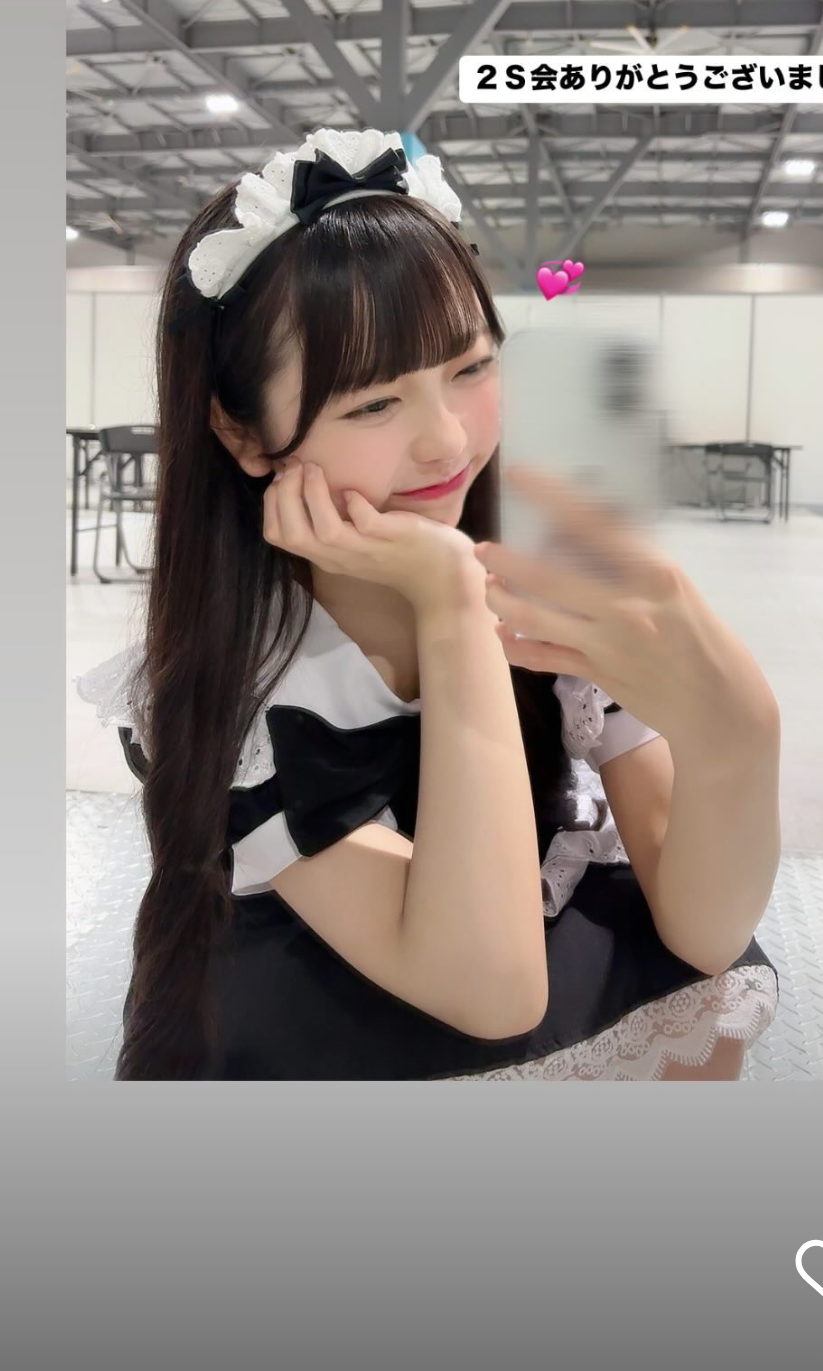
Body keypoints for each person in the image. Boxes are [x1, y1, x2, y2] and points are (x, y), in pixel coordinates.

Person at [78, 127, 782, 1081]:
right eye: (373, 405)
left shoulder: (550, 594)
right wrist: (451, 606)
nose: (446, 442)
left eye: (471, 368)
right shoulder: (248, 686)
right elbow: (490, 990)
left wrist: (740, 735)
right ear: (244, 433)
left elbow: (705, 932)